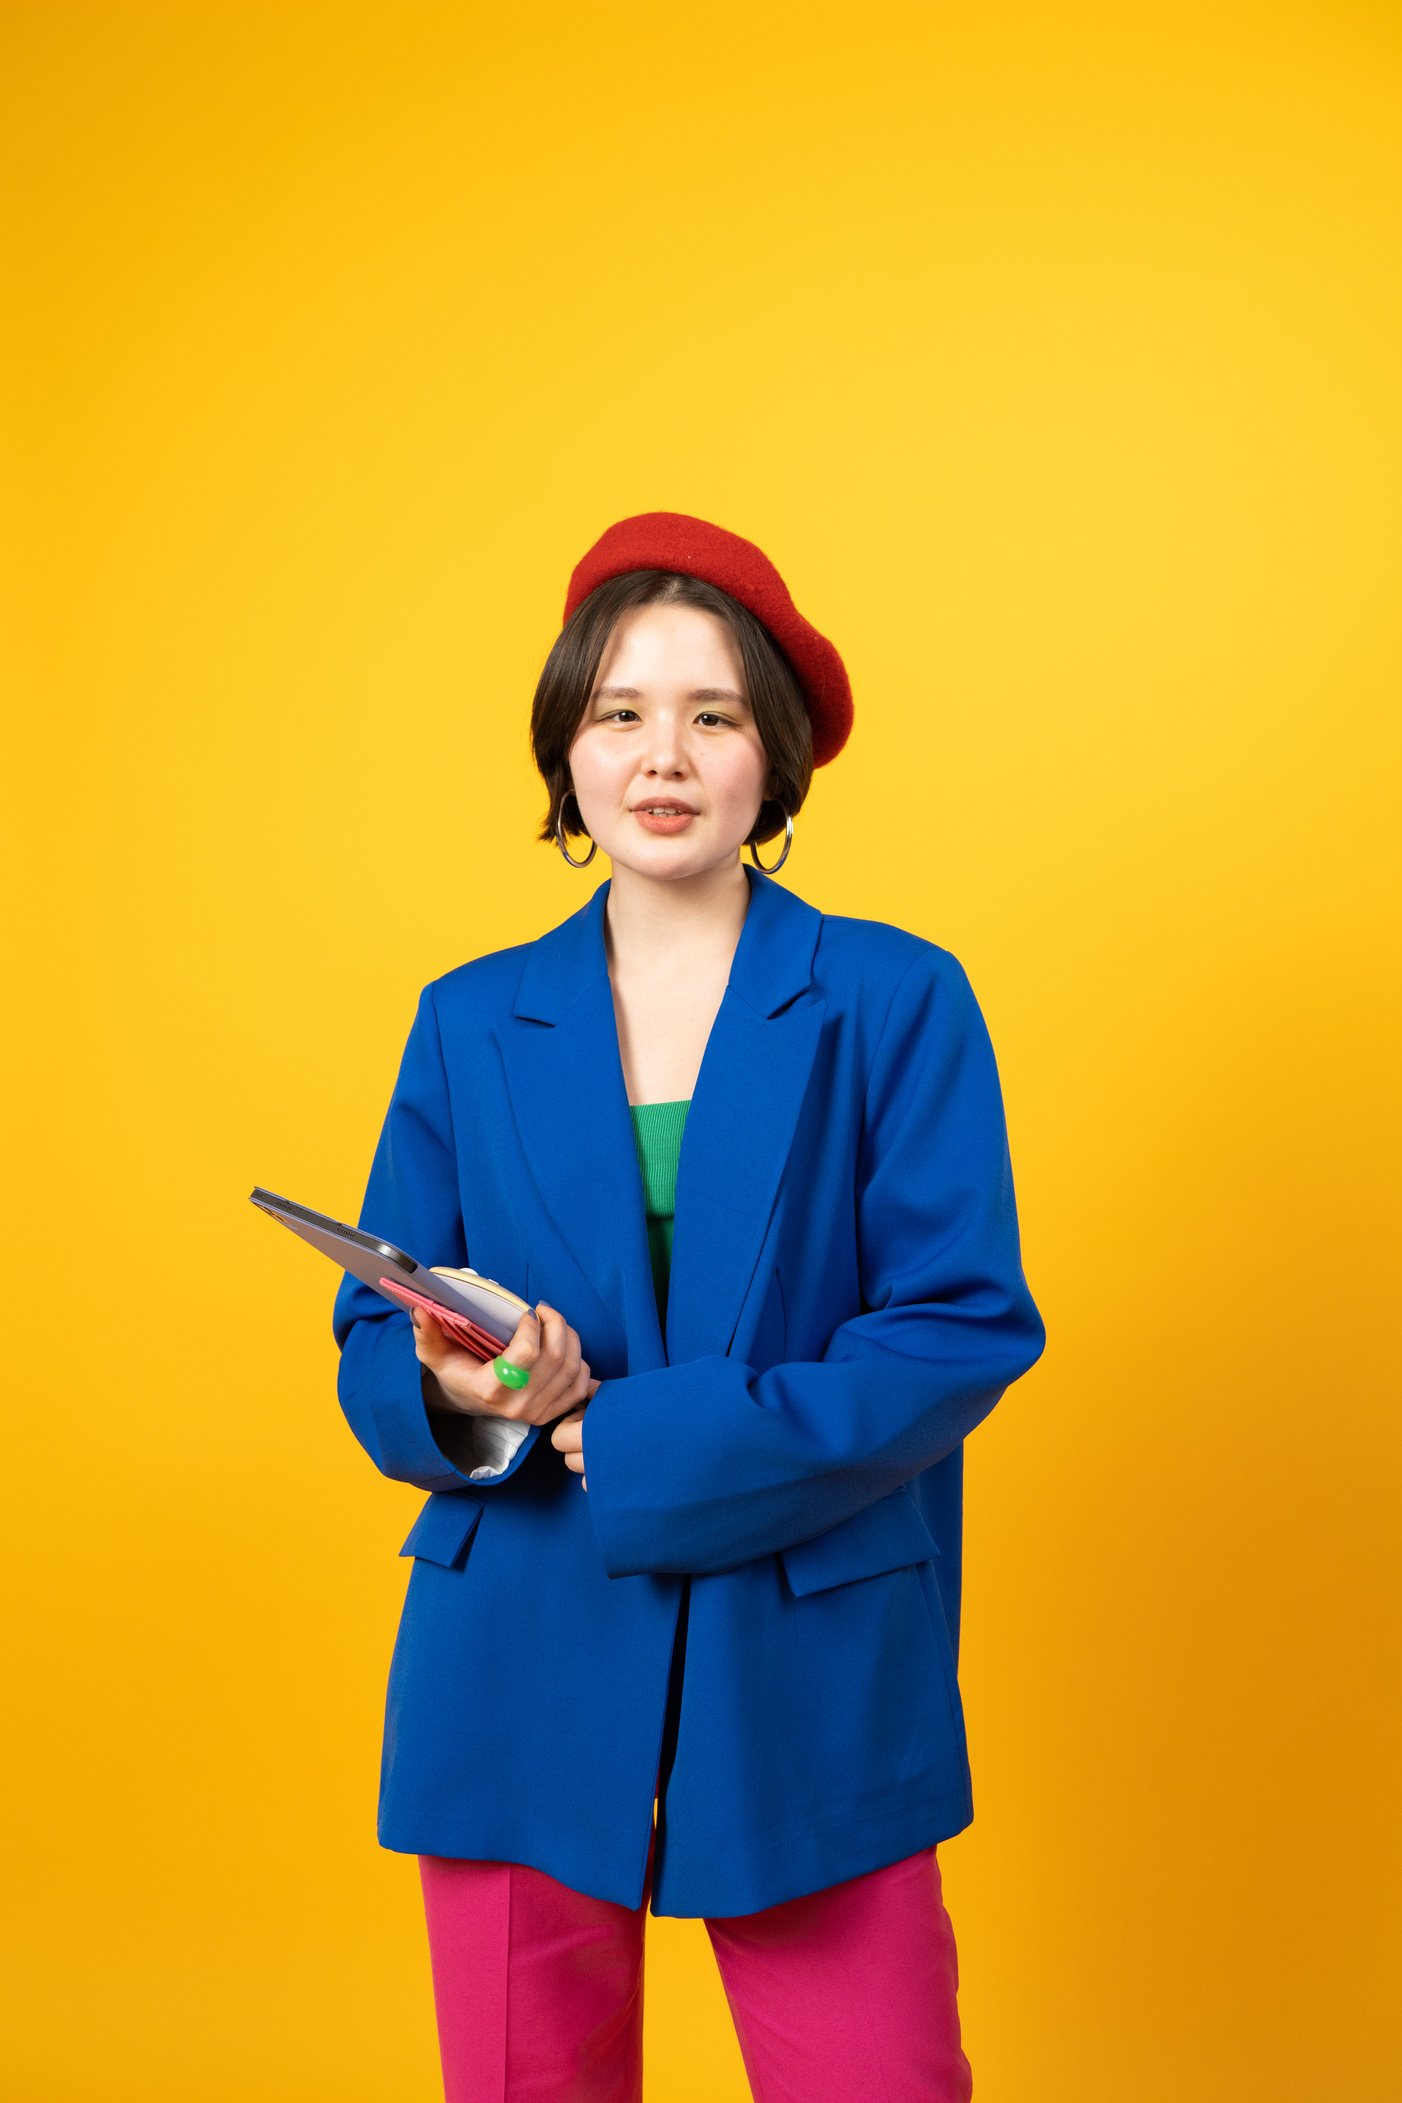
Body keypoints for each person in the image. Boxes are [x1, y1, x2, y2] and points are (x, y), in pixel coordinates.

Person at [331, 510, 1047, 2102]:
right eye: (619, 713)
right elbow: (379, 1331)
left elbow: (954, 1324)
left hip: (808, 1653)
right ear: (566, 754)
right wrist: (460, 1390)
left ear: (771, 761)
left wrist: (643, 1435)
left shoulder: (892, 998)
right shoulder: (467, 1021)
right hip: (513, 1653)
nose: (663, 756)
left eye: (711, 715)